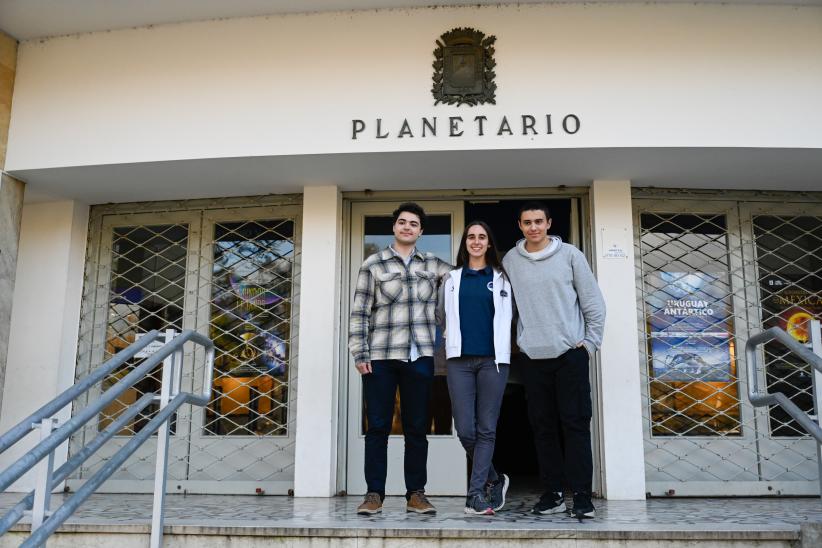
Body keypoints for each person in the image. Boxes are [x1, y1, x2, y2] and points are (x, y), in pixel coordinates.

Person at [502, 201, 606, 519]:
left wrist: (589, 345)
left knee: (575, 427)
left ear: (548, 223)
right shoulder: (510, 260)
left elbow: (593, 303)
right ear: (520, 226)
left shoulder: (570, 255)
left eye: (538, 221)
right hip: (533, 358)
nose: (533, 227)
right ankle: (554, 493)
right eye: (527, 222)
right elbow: (508, 309)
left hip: (569, 356)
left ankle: (583, 497)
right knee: (543, 428)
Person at [349, 202, 452, 515]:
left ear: (421, 231)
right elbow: (359, 311)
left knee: (417, 428)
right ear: (394, 227)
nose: (408, 227)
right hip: (379, 356)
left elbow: (465, 281)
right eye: (403, 222)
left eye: (414, 224)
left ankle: (416, 494)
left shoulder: (434, 264)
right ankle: (373, 494)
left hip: (419, 356)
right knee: (378, 427)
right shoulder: (373, 264)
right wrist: (359, 351)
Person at [438, 221, 513, 515]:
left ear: (489, 243)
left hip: (493, 361)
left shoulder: (503, 279)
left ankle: (476, 494)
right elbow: (441, 315)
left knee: (486, 429)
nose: (476, 241)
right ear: (465, 243)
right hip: (459, 361)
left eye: (482, 236)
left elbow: (512, 316)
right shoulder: (452, 278)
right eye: (471, 237)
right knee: (466, 429)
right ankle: (495, 478)